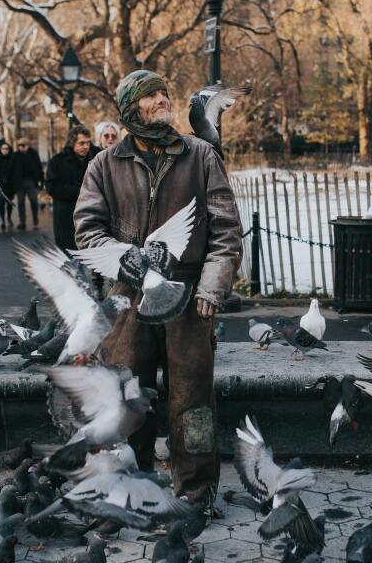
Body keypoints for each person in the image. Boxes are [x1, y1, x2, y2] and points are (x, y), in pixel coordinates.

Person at [74, 70, 242, 514]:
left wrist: (211, 288)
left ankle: (197, 489)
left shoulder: (201, 154)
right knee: (129, 395)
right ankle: (131, 482)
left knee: (193, 400)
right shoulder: (104, 165)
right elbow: (87, 229)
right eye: (152, 94)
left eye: (164, 91)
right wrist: (118, 253)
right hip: (128, 300)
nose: (164, 98)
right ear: (132, 109)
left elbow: (226, 232)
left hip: (188, 299)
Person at [47, 126, 99, 250]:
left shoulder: (96, 159)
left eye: (88, 143)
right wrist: (81, 191)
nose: (86, 146)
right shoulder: (57, 161)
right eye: (81, 143)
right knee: (69, 259)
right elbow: (52, 187)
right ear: (72, 143)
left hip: (90, 218)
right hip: (66, 217)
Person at [13, 138, 42, 229]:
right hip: (19, 183)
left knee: (34, 200)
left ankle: (35, 219)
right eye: (19, 146)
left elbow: (39, 167)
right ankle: (22, 222)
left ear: (27, 146)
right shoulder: (16, 155)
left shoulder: (34, 154)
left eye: (23, 146)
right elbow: (12, 169)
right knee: (20, 202)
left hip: (31, 181)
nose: (21, 147)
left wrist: (40, 180)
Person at [0, 141, 17, 232]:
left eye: (7, 149)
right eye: (3, 148)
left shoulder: (12, 158)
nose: (5, 150)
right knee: (1, 203)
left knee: (9, 202)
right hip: (0, 184)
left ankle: (9, 218)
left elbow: (15, 172)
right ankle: (3, 220)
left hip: (10, 184)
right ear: (1, 150)